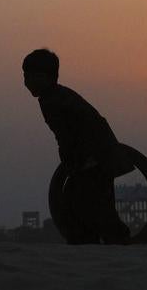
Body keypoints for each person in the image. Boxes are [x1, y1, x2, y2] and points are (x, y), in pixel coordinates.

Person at [22, 48, 132, 244]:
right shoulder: (54, 96)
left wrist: (74, 158)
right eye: (25, 76)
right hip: (89, 158)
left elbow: (70, 134)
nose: (26, 81)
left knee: (91, 204)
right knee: (79, 203)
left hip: (94, 158)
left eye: (31, 76)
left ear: (46, 77)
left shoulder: (54, 100)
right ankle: (88, 240)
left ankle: (114, 240)